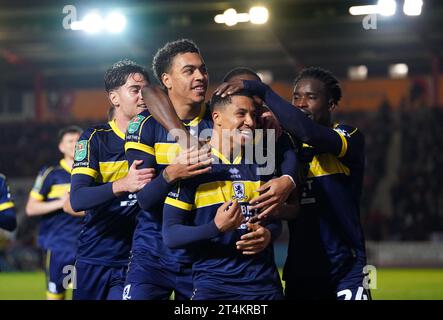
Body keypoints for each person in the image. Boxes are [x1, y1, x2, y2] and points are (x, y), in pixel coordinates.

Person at [215, 66, 371, 300]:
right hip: (301, 269)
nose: (301, 104)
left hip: (345, 268)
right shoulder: (286, 146)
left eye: (311, 97)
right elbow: (292, 209)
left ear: (330, 104)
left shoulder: (348, 136)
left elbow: (310, 133)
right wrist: (276, 210)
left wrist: (262, 91)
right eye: (296, 97)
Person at [162, 90, 289, 300]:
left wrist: (268, 235)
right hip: (214, 288)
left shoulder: (262, 165)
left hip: (265, 288)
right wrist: (215, 227)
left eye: (253, 116)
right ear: (217, 117)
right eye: (241, 114)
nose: (249, 121)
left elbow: (274, 221)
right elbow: (171, 234)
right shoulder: (192, 166)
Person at [70, 60, 155, 300]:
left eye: (146, 90)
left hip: (136, 260)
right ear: (114, 98)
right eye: (135, 90)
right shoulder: (94, 139)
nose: (142, 96)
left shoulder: (159, 137)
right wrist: (123, 185)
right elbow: (77, 199)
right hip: (92, 257)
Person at [25, 126, 84, 300]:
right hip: (60, 245)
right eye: (70, 141)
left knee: (83, 293)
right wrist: (61, 202)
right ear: (61, 147)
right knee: (57, 294)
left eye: (78, 141)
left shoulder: (93, 172)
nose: (75, 145)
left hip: (87, 245)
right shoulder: (51, 174)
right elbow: (31, 208)